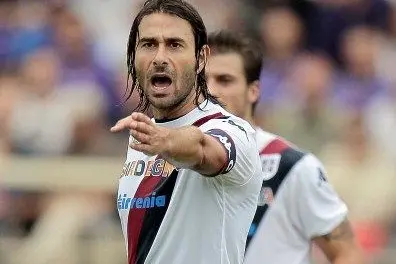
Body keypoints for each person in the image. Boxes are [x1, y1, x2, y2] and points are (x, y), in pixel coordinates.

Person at [110, 1, 263, 264]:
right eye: (148, 44)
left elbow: (203, 148)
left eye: (174, 44)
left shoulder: (231, 129)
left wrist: (164, 140)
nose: (159, 58)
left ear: (201, 58)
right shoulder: (144, 135)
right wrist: (158, 137)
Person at [206, 30, 364, 264]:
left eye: (225, 80)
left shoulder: (293, 166)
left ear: (254, 90)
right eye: (203, 80)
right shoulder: (178, 166)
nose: (211, 91)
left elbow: (347, 253)